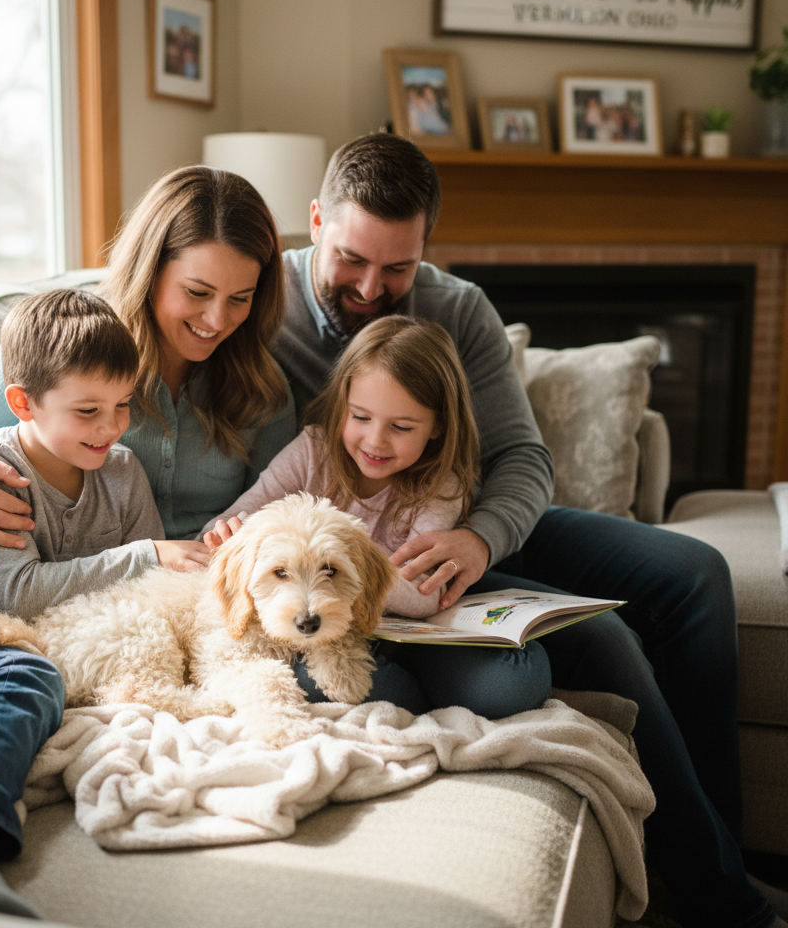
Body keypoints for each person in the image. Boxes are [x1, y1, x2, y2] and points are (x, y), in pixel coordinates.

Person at [270, 131, 785, 928]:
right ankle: (721, 893)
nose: (372, 287)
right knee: (610, 643)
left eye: (398, 267)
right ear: (315, 221)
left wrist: (479, 541)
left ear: (426, 250)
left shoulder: (458, 308)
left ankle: (714, 855)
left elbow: (521, 457)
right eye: (351, 260)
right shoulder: (255, 306)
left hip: (460, 525)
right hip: (362, 565)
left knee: (695, 574)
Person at [0, 288, 202, 917]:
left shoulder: (122, 471)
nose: (110, 428)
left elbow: (145, 596)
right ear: (24, 403)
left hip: (45, 631)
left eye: (122, 406)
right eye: (87, 411)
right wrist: (146, 556)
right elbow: (22, 593)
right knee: (28, 671)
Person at [0, 166, 296, 562]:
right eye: (197, 292)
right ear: (150, 271)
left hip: (207, 581)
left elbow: (278, 504)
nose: (216, 320)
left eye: (240, 298)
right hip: (90, 591)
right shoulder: (73, 341)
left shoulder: (261, 387)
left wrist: (241, 530)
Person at [202, 314, 551, 719]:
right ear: (342, 406)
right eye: (361, 417)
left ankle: (418, 691)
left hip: (406, 636)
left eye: (401, 426)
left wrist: (346, 569)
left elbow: (423, 594)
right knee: (331, 682)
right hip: (321, 635)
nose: (375, 440)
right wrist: (226, 532)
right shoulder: (313, 450)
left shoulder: (442, 485)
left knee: (517, 679)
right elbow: (237, 515)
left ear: (437, 426)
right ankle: (410, 696)